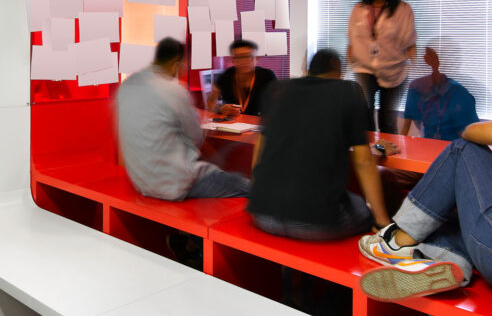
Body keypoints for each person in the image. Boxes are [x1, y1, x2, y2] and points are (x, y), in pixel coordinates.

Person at [356, 58, 492, 311]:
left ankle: (397, 240)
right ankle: (441, 259)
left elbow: (472, 133)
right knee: (460, 218)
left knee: (463, 150)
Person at [248, 49, 391, 240]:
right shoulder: (349, 91)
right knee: (363, 207)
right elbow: (363, 161)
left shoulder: (277, 90)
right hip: (315, 223)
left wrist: (257, 194)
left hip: (261, 214)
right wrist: (382, 222)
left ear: (309, 70)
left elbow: (260, 147)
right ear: (338, 70)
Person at [116, 37, 249, 201]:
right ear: (176, 64)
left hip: (141, 181)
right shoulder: (174, 90)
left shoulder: (127, 86)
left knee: (218, 168)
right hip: (176, 185)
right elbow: (197, 138)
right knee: (246, 186)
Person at [347, 0, 415, 134]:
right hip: (364, 67)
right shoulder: (359, 8)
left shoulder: (403, 9)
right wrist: (348, 66)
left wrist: (415, 70)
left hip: (394, 69)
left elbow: (410, 43)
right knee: (363, 114)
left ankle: (386, 157)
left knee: (388, 120)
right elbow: (352, 41)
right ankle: (366, 156)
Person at [399, 45, 479, 140]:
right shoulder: (415, 87)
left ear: (435, 65)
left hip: (455, 147)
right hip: (428, 144)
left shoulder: (460, 94)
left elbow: (472, 134)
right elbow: (406, 127)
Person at [205, 39, 277, 117]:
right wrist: (220, 108)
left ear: (256, 58)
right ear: (232, 60)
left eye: (247, 56)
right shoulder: (226, 75)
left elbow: (279, 103)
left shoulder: (267, 76)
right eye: (238, 57)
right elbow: (210, 102)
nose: (243, 61)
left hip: (259, 123)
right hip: (234, 123)